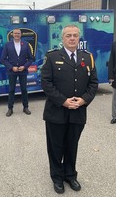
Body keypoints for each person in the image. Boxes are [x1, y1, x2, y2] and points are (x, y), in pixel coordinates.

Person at [41, 25, 98, 194]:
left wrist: (84, 100)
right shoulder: (51, 57)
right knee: (56, 147)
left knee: (72, 146)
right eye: (68, 36)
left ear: (79, 38)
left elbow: (93, 83)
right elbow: (46, 83)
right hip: (56, 112)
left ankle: (70, 175)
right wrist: (64, 101)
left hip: (78, 111)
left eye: (75, 35)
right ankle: (57, 178)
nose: (72, 38)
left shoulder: (87, 58)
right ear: (62, 39)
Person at [1, 28, 34, 117]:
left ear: (21, 34)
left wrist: (25, 66)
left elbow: (31, 58)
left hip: (23, 71)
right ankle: (10, 108)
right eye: (15, 33)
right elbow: (3, 59)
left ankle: (25, 107)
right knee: (11, 90)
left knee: (24, 90)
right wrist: (11, 67)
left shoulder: (26, 45)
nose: (17, 35)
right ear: (12, 34)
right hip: (12, 71)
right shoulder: (8, 45)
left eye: (18, 33)